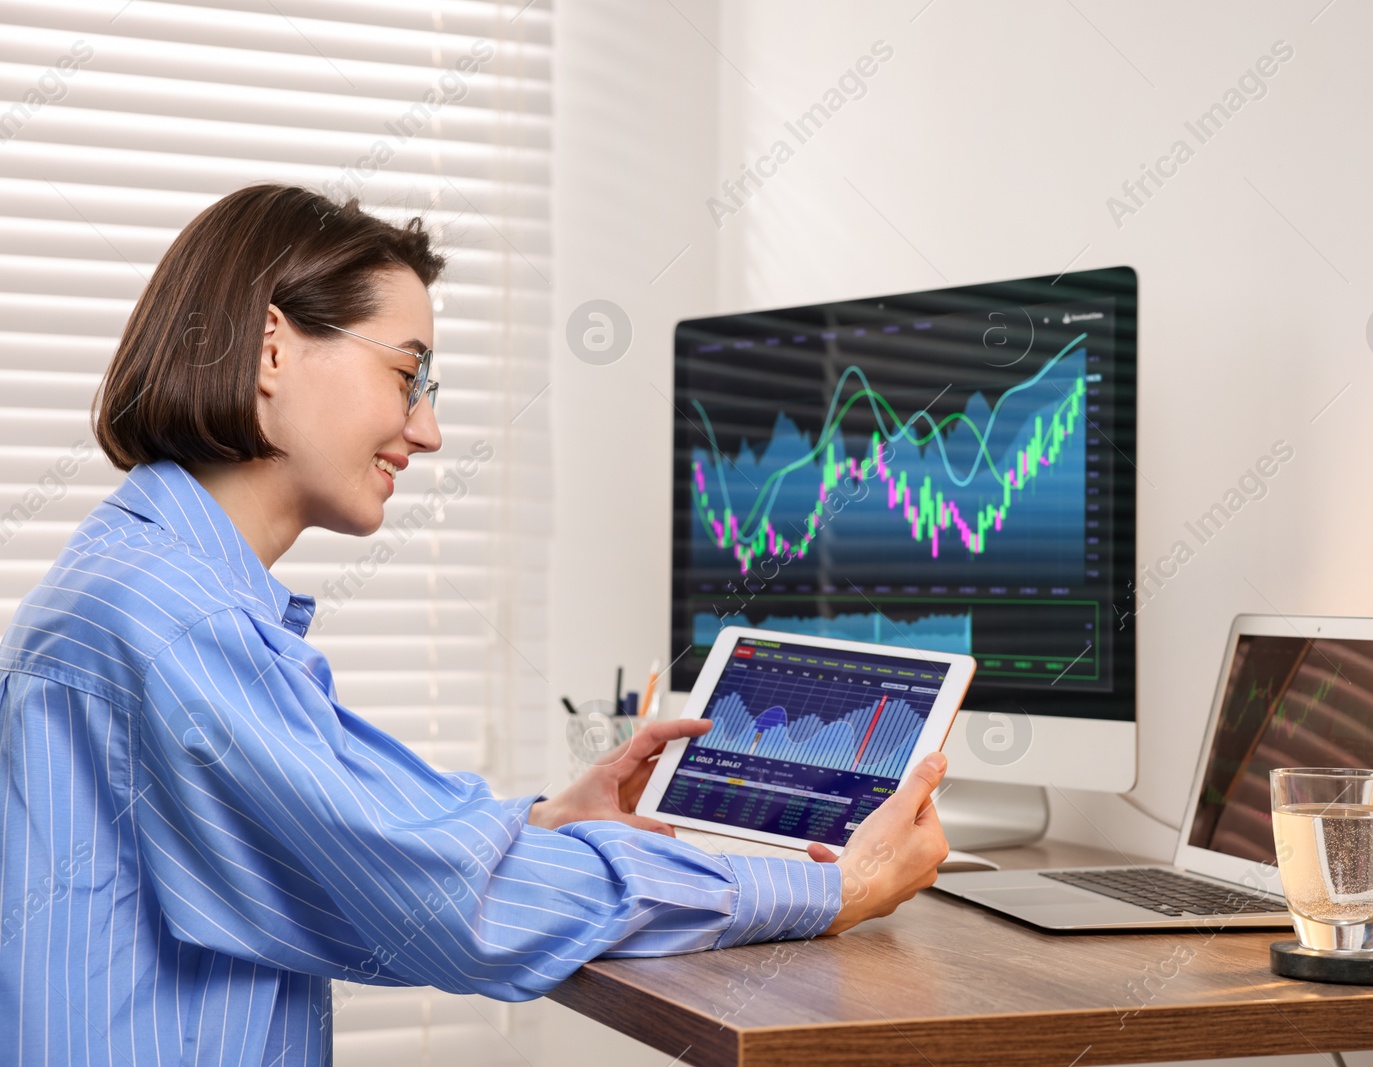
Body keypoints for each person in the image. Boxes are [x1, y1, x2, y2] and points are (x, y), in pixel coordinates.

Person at [0, 184, 950, 1066]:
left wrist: (545, 820)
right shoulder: (176, 623)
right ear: (270, 349)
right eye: (408, 374)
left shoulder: (150, 583)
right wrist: (834, 888)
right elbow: (457, 905)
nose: (427, 431)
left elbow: (348, 827)